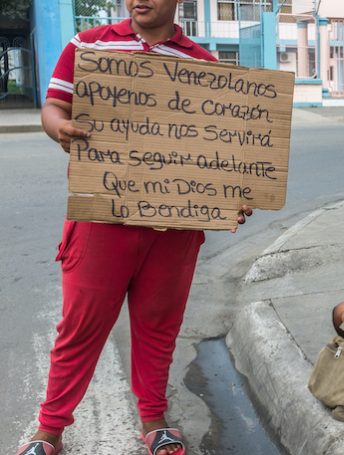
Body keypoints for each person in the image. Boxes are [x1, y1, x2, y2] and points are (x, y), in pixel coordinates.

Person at [19, 2, 252, 455]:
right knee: (80, 327)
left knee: (159, 325)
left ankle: (154, 419)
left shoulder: (203, 65)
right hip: (100, 218)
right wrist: (60, 128)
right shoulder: (88, 46)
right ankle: (49, 430)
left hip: (176, 227)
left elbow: (225, 148)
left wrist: (232, 195)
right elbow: (53, 106)